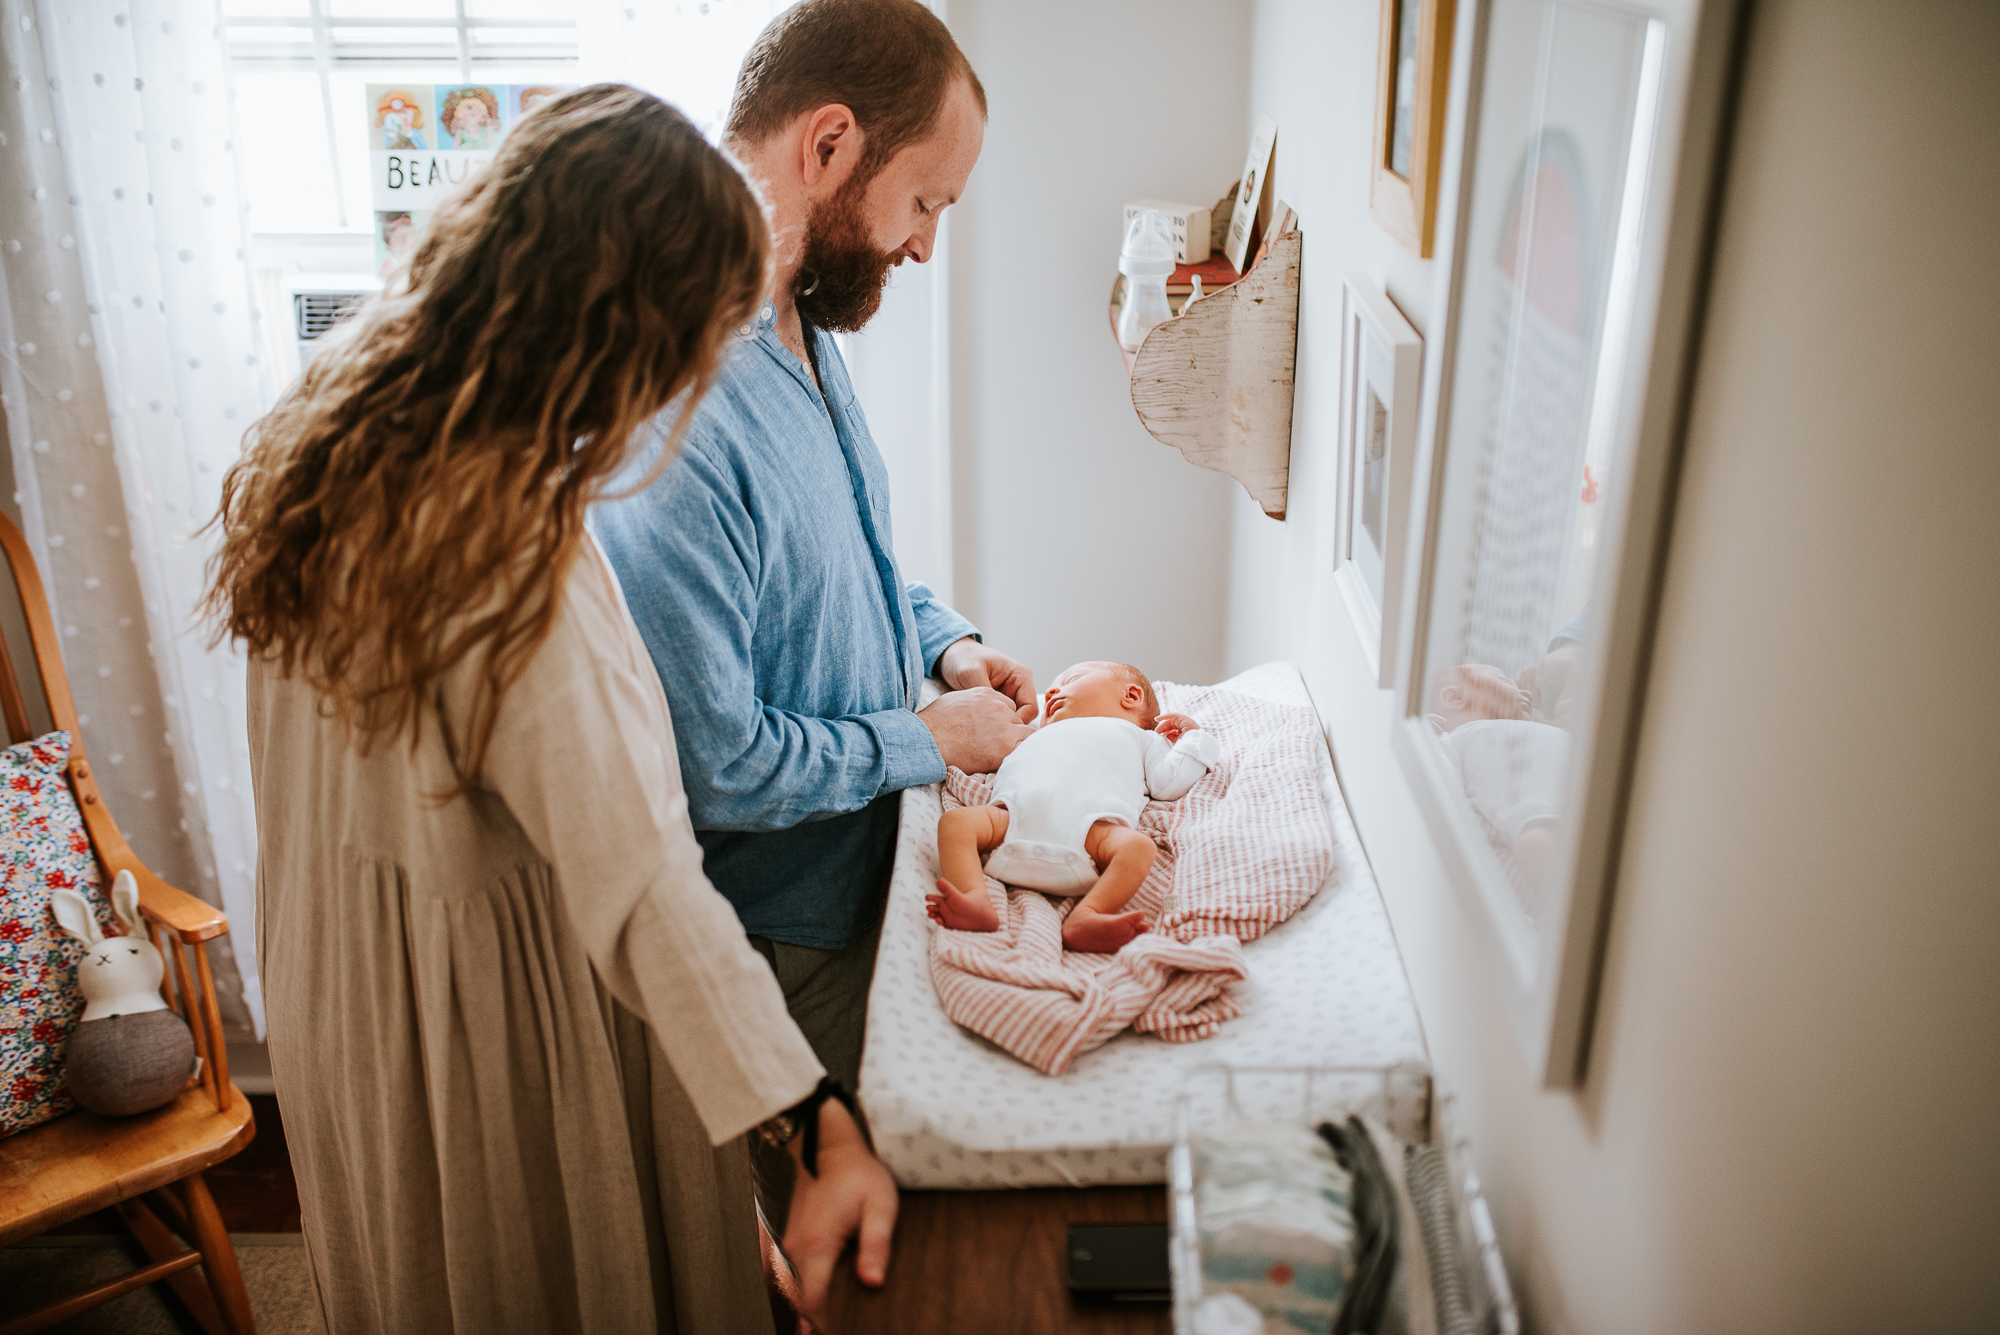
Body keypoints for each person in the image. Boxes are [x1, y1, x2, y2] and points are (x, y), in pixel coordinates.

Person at [206, 86, 894, 1333]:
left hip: (348, 979)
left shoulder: (331, 426)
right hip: (492, 1013)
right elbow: (640, 883)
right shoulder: (510, 555)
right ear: (627, 336)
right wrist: (819, 1128)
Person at [594, 0, 1034, 1093]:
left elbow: (838, 560)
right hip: (781, 938)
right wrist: (928, 738)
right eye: (925, 199)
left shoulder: (802, 324)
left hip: (869, 870)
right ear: (829, 144)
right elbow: (721, 766)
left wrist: (944, 644)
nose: (927, 243)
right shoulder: (680, 410)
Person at [926, 661, 1220, 952]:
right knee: (956, 821)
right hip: (1009, 820)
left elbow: (1169, 784)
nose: (1052, 691)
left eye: (1072, 679)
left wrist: (1193, 738)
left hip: (1090, 833)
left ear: (1130, 696)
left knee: (1138, 848)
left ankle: (1088, 914)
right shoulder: (1031, 734)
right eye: (1053, 686)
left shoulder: (1142, 739)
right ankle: (974, 897)